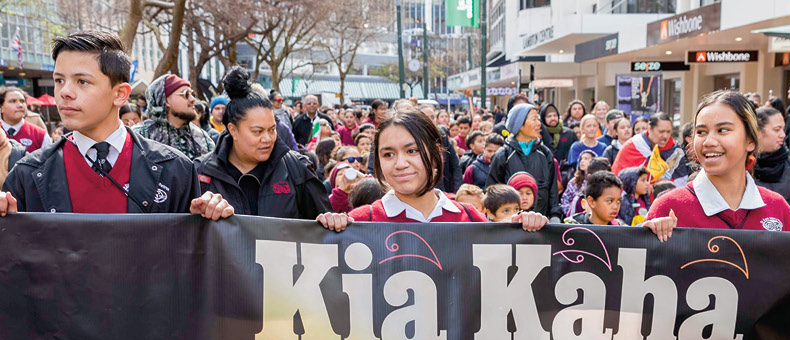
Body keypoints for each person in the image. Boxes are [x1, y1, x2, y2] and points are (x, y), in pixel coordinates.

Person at [0, 31, 230, 219]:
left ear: (120, 93)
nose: (65, 92)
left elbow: (191, 261)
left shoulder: (175, 170)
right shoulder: (26, 175)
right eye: (59, 80)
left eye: (82, 81)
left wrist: (211, 216)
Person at [648, 90, 790, 244]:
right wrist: (644, 241)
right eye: (702, 132)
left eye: (723, 130)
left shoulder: (777, 208)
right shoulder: (668, 208)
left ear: (750, 141)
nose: (709, 141)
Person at [314, 108, 544, 229]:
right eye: (388, 154)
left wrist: (521, 232)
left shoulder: (469, 218)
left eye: (412, 151)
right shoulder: (362, 221)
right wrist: (331, 231)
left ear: (435, 155)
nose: (400, 163)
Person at [193, 67, 330, 219]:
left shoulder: (297, 168)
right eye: (257, 131)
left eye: (272, 130)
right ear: (233, 130)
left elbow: (323, 231)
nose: (267, 139)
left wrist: (333, 220)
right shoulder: (202, 172)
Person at [491, 103, 563, 219]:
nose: (539, 123)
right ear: (520, 125)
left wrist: (555, 216)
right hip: (511, 223)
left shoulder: (545, 153)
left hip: (541, 222)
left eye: (538, 119)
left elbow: (552, 191)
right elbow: (493, 192)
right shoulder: (503, 155)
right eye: (534, 119)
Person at [133, 73, 214, 161]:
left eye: (192, 94)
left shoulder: (202, 137)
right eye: (186, 94)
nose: (192, 99)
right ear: (166, 100)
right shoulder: (139, 136)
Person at [612, 112, 682, 180]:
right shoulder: (634, 146)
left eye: (668, 132)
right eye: (661, 131)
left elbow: (681, 179)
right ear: (649, 129)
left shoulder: (673, 148)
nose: (665, 136)